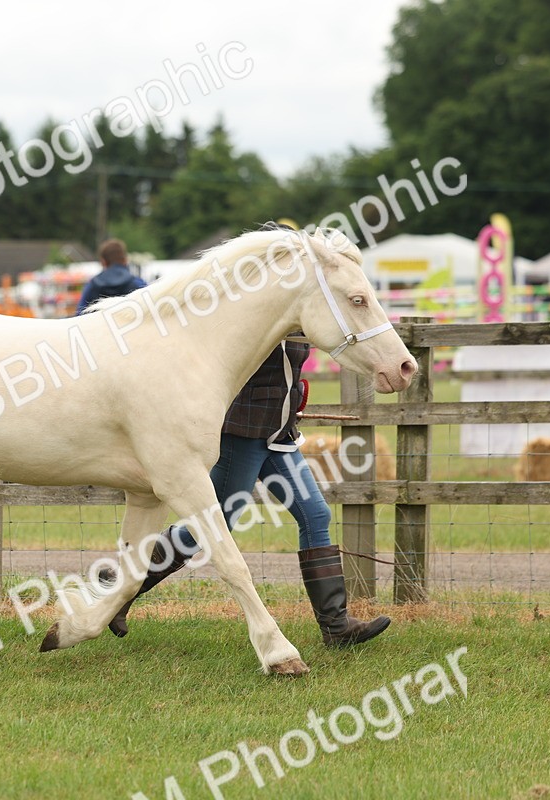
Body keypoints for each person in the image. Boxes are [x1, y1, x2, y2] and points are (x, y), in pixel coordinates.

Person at [106, 222, 391, 648]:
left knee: (315, 516)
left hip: (278, 436)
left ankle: (337, 627)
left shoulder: (302, 304)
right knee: (211, 524)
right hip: (243, 434)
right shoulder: (254, 308)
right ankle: (118, 589)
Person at [75, 238, 146, 315]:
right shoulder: (138, 284)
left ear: (103, 262)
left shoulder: (92, 285)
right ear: (125, 260)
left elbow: (80, 315)